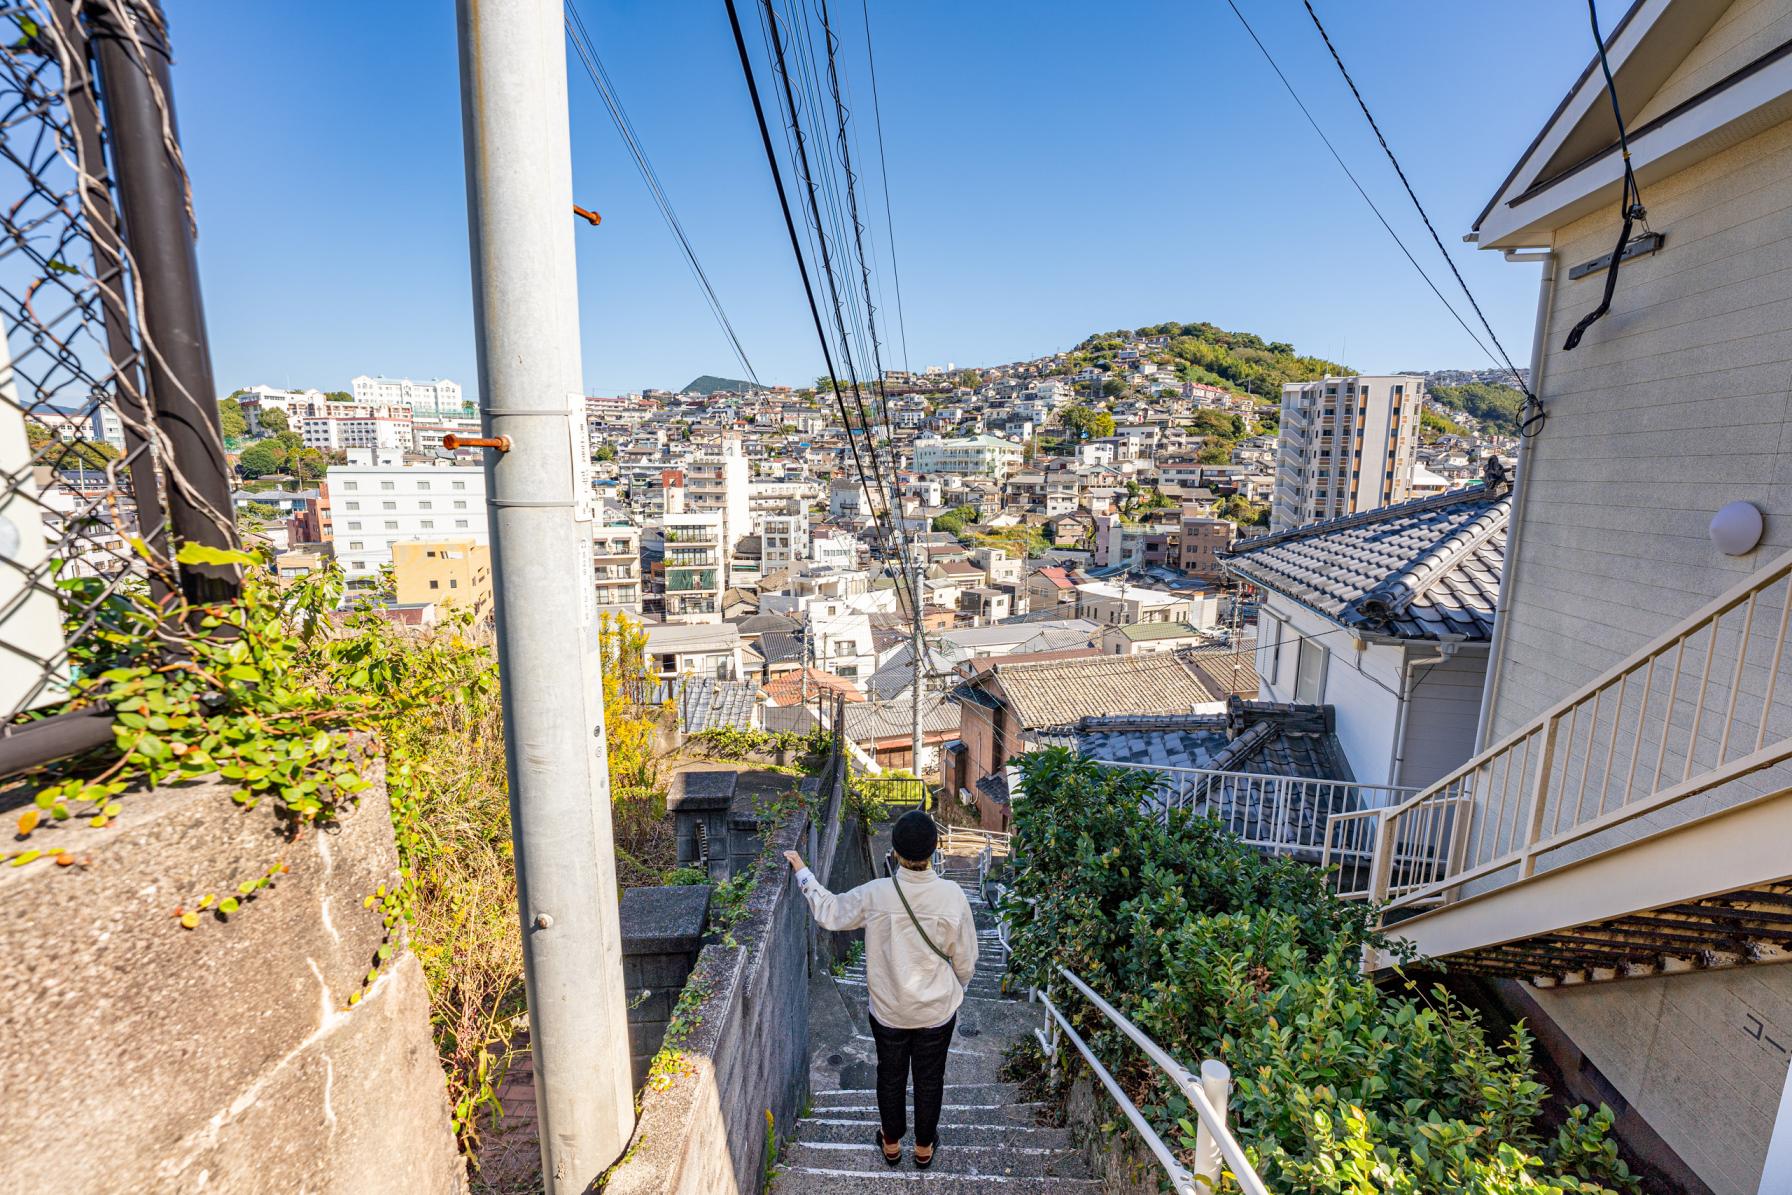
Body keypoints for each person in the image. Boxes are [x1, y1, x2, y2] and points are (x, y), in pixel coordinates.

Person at [783, 809, 978, 1170]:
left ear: (896, 852)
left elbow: (830, 912)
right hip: (936, 1011)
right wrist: (957, 988)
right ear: (933, 851)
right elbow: (965, 959)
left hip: (888, 1011)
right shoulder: (952, 897)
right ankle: (923, 1149)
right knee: (930, 1078)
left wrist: (803, 873)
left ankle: (891, 1145)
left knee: (890, 1074)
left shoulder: (877, 893)